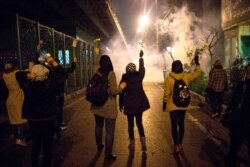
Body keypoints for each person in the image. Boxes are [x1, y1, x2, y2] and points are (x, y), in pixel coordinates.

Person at [16, 54, 63, 167]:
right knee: (47, 145)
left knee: (35, 145)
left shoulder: (28, 85)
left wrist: (30, 72)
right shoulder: (50, 85)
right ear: (46, 74)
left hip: (33, 119)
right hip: (48, 118)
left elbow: (18, 74)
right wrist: (52, 63)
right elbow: (62, 74)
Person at [162, 55, 201, 153]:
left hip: (172, 105)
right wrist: (197, 64)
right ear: (181, 67)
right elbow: (197, 73)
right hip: (183, 105)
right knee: (181, 124)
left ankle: (176, 146)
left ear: (172, 67)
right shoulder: (186, 76)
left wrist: (164, 103)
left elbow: (166, 93)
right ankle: (180, 144)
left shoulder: (169, 78)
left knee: (174, 125)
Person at [90, 55, 125, 161]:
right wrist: (121, 87)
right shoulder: (111, 74)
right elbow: (114, 91)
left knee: (98, 126)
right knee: (109, 131)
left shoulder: (97, 73)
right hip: (108, 107)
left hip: (96, 105)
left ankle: (99, 145)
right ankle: (108, 154)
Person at [119, 50, 150, 151]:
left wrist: (120, 104)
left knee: (130, 125)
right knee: (139, 123)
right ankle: (143, 141)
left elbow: (121, 92)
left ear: (127, 70)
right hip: (139, 105)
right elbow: (142, 69)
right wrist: (141, 58)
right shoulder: (139, 77)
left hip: (129, 106)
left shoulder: (125, 80)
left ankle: (132, 144)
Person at [225, 64, 250, 167]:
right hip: (245, 122)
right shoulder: (243, 85)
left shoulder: (243, 85)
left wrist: (226, 112)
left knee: (234, 148)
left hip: (239, 122)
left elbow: (234, 102)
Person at [3, 60, 28, 146]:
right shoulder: (16, 73)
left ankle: (15, 135)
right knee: (22, 120)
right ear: (15, 66)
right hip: (18, 98)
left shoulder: (4, 75)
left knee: (13, 119)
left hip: (9, 99)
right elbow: (25, 72)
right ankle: (20, 139)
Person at [53, 56, 76, 132]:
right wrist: (74, 62)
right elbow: (71, 69)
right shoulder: (61, 70)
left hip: (52, 93)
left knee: (55, 109)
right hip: (60, 92)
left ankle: (57, 123)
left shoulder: (49, 71)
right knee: (59, 108)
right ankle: (59, 124)